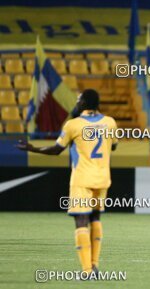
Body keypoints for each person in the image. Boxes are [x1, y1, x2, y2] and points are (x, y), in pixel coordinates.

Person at [17, 89, 118, 277]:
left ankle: (87, 271)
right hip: (103, 178)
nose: (76, 102)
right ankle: (94, 265)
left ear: (84, 103)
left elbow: (56, 150)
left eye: (79, 99)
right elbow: (114, 145)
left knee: (81, 220)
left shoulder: (73, 125)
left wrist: (33, 148)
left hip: (81, 179)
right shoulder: (110, 122)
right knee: (95, 218)